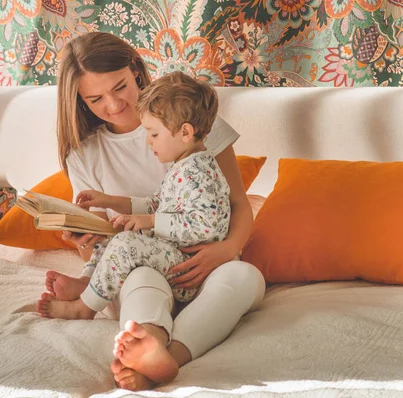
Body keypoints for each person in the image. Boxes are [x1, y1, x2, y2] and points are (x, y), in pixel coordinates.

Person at [35, 32, 265, 391]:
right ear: (79, 101)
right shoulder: (83, 152)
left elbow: (236, 203)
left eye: (120, 87)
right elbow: (102, 250)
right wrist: (84, 235)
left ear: (136, 70)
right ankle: (152, 344)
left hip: (206, 264)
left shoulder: (192, 120)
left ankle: (167, 357)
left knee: (245, 277)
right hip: (139, 272)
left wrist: (225, 250)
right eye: (95, 99)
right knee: (140, 275)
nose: (113, 105)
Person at [38, 71, 231, 321]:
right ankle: (87, 282)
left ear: (185, 132)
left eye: (153, 134)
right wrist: (107, 200)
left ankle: (84, 308)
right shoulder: (183, 166)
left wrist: (150, 222)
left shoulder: (199, 172)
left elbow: (208, 226)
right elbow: (155, 204)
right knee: (115, 235)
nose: (148, 142)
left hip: (191, 267)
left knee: (125, 243)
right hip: (174, 253)